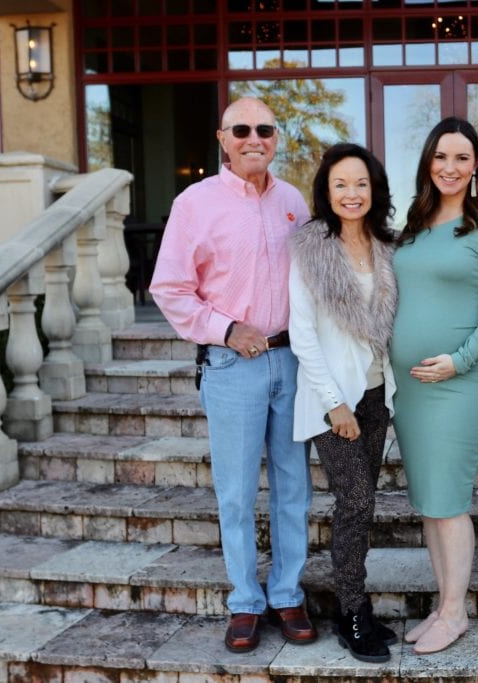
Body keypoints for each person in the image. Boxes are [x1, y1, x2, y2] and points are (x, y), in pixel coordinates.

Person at [150, 97, 316, 653]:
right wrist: (225, 329)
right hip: (231, 365)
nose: (254, 138)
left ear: (276, 136)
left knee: (294, 487)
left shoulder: (294, 201)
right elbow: (169, 289)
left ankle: (288, 592)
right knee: (237, 493)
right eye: (241, 129)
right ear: (223, 138)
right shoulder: (195, 203)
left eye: (264, 129)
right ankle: (245, 600)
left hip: (291, 362)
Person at [390, 117, 478, 655]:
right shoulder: (413, 224)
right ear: (428, 162)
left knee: (448, 499)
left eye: (462, 158)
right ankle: (444, 603)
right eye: (441, 157)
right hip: (409, 388)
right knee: (428, 501)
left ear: (476, 167)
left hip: (460, 382)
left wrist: (459, 360)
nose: (450, 167)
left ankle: (454, 612)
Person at [288, 143, 399, 663]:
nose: (351, 194)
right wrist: (334, 404)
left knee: (365, 504)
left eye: (360, 184)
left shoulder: (387, 245)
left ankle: (356, 606)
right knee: (354, 503)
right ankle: (352, 612)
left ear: (373, 189)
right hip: (332, 401)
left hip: (378, 394)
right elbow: (302, 333)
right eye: (340, 185)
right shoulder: (310, 248)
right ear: (326, 192)